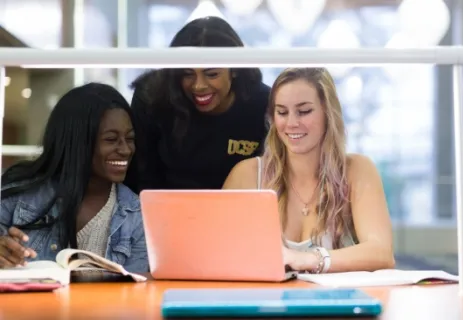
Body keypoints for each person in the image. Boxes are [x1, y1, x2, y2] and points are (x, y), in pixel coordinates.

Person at [223, 68, 395, 273]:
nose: (292, 123)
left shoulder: (357, 170)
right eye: (282, 112)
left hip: (339, 305)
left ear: (328, 113)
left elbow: (381, 253)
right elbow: (217, 253)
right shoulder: (247, 175)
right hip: (269, 304)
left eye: (304, 111)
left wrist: (307, 259)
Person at [0, 83, 148, 273]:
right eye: (111, 140)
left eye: (130, 138)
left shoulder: (136, 214)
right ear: (77, 142)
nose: (126, 150)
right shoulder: (21, 194)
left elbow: (136, 291)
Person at [124, 16, 270, 193]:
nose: (198, 85)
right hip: (163, 211)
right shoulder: (153, 98)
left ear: (235, 70)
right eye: (187, 73)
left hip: (239, 212)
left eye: (212, 74)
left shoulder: (263, 104)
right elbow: (140, 177)